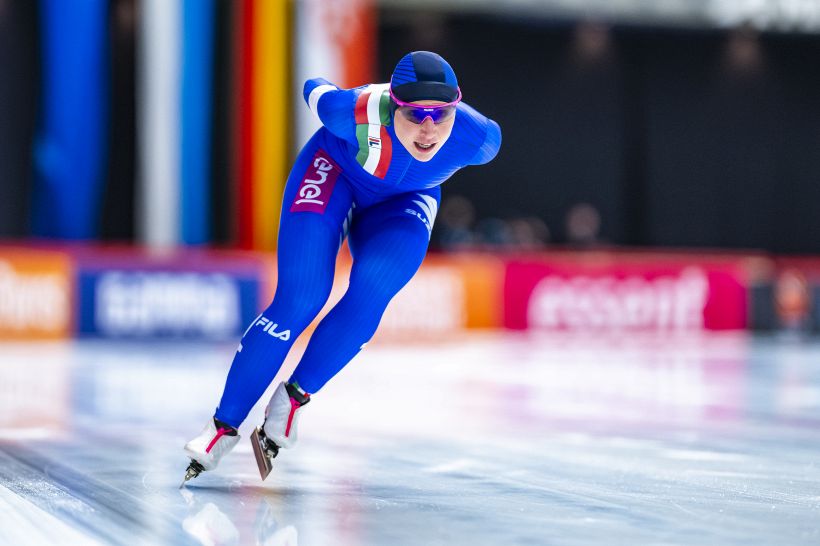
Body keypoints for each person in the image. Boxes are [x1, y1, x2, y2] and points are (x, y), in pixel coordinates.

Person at [181, 51, 501, 485]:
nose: (429, 130)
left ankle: (292, 400)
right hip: (334, 174)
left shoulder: (479, 138)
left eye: (440, 116)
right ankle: (222, 426)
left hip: (406, 201)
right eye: (416, 115)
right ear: (394, 106)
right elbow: (315, 87)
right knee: (302, 296)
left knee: (375, 284)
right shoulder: (352, 112)